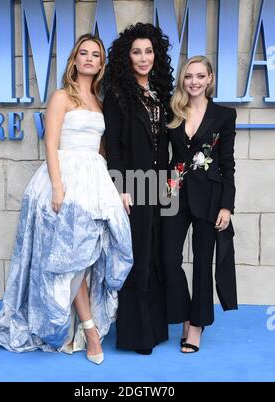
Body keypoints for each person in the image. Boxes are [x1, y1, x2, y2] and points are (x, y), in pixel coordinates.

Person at [0, 34, 133, 364]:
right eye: (84, 53)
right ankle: (90, 333)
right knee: (71, 257)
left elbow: (100, 147)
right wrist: (58, 187)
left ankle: (78, 327)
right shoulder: (62, 96)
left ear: (101, 63)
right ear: (74, 60)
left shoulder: (99, 100)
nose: (90, 59)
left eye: (96, 54)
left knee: (93, 252)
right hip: (63, 177)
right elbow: (51, 143)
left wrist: (112, 182)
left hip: (94, 178)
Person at [103, 23, 174, 354]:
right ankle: (136, 335)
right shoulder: (118, 94)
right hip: (133, 185)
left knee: (158, 254)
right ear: (126, 57)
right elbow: (114, 148)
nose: (144, 57)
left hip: (159, 187)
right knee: (138, 259)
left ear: (155, 55)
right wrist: (120, 187)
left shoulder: (161, 93)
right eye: (136, 52)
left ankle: (157, 329)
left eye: (149, 51)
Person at [162, 55, 238, 353]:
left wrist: (227, 206)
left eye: (200, 76)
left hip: (210, 196)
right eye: (189, 76)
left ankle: (196, 324)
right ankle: (183, 314)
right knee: (169, 259)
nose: (194, 81)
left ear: (210, 79)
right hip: (173, 193)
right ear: (183, 80)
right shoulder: (173, 111)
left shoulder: (224, 115)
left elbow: (227, 163)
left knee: (203, 263)